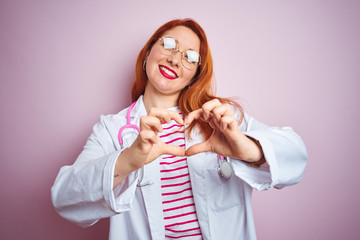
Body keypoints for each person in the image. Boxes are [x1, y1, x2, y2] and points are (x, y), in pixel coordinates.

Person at [51, 18, 307, 240]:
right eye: (169, 45)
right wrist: (130, 158)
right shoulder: (112, 128)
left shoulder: (222, 119)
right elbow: (64, 199)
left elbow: (295, 157)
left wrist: (245, 148)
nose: (175, 59)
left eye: (190, 57)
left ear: (195, 74)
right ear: (148, 53)